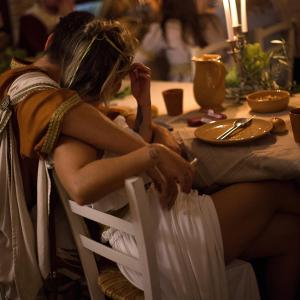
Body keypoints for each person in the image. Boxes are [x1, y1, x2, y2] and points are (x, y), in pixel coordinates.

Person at [1, 12, 300, 300]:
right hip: (157, 235)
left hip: (160, 221)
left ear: (50, 42)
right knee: (275, 190)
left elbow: (121, 148)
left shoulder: (77, 109)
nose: (118, 85)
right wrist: (151, 154)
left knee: (291, 235)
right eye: (115, 75)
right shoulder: (64, 115)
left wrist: (143, 105)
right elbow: (79, 185)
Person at [134, 0, 226, 81]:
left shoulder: (211, 23)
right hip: (197, 84)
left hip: (198, 84)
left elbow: (137, 60)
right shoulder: (212, 23)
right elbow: (136, 61)